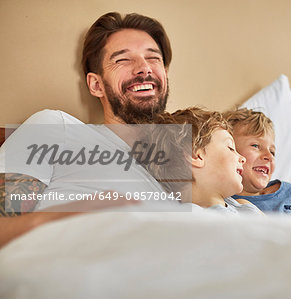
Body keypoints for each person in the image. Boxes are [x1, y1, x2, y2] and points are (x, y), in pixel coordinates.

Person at [0, 12, 173, 247]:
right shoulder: (54, 127)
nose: (144, 68)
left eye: (154, 59)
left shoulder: (174, 175)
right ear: (96, 85)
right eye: (123, 60)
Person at [141, 107, 262, 215]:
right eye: (230, 148)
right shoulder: (190, 217)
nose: (243, 159)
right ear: (195, 156)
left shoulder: (245, 206)